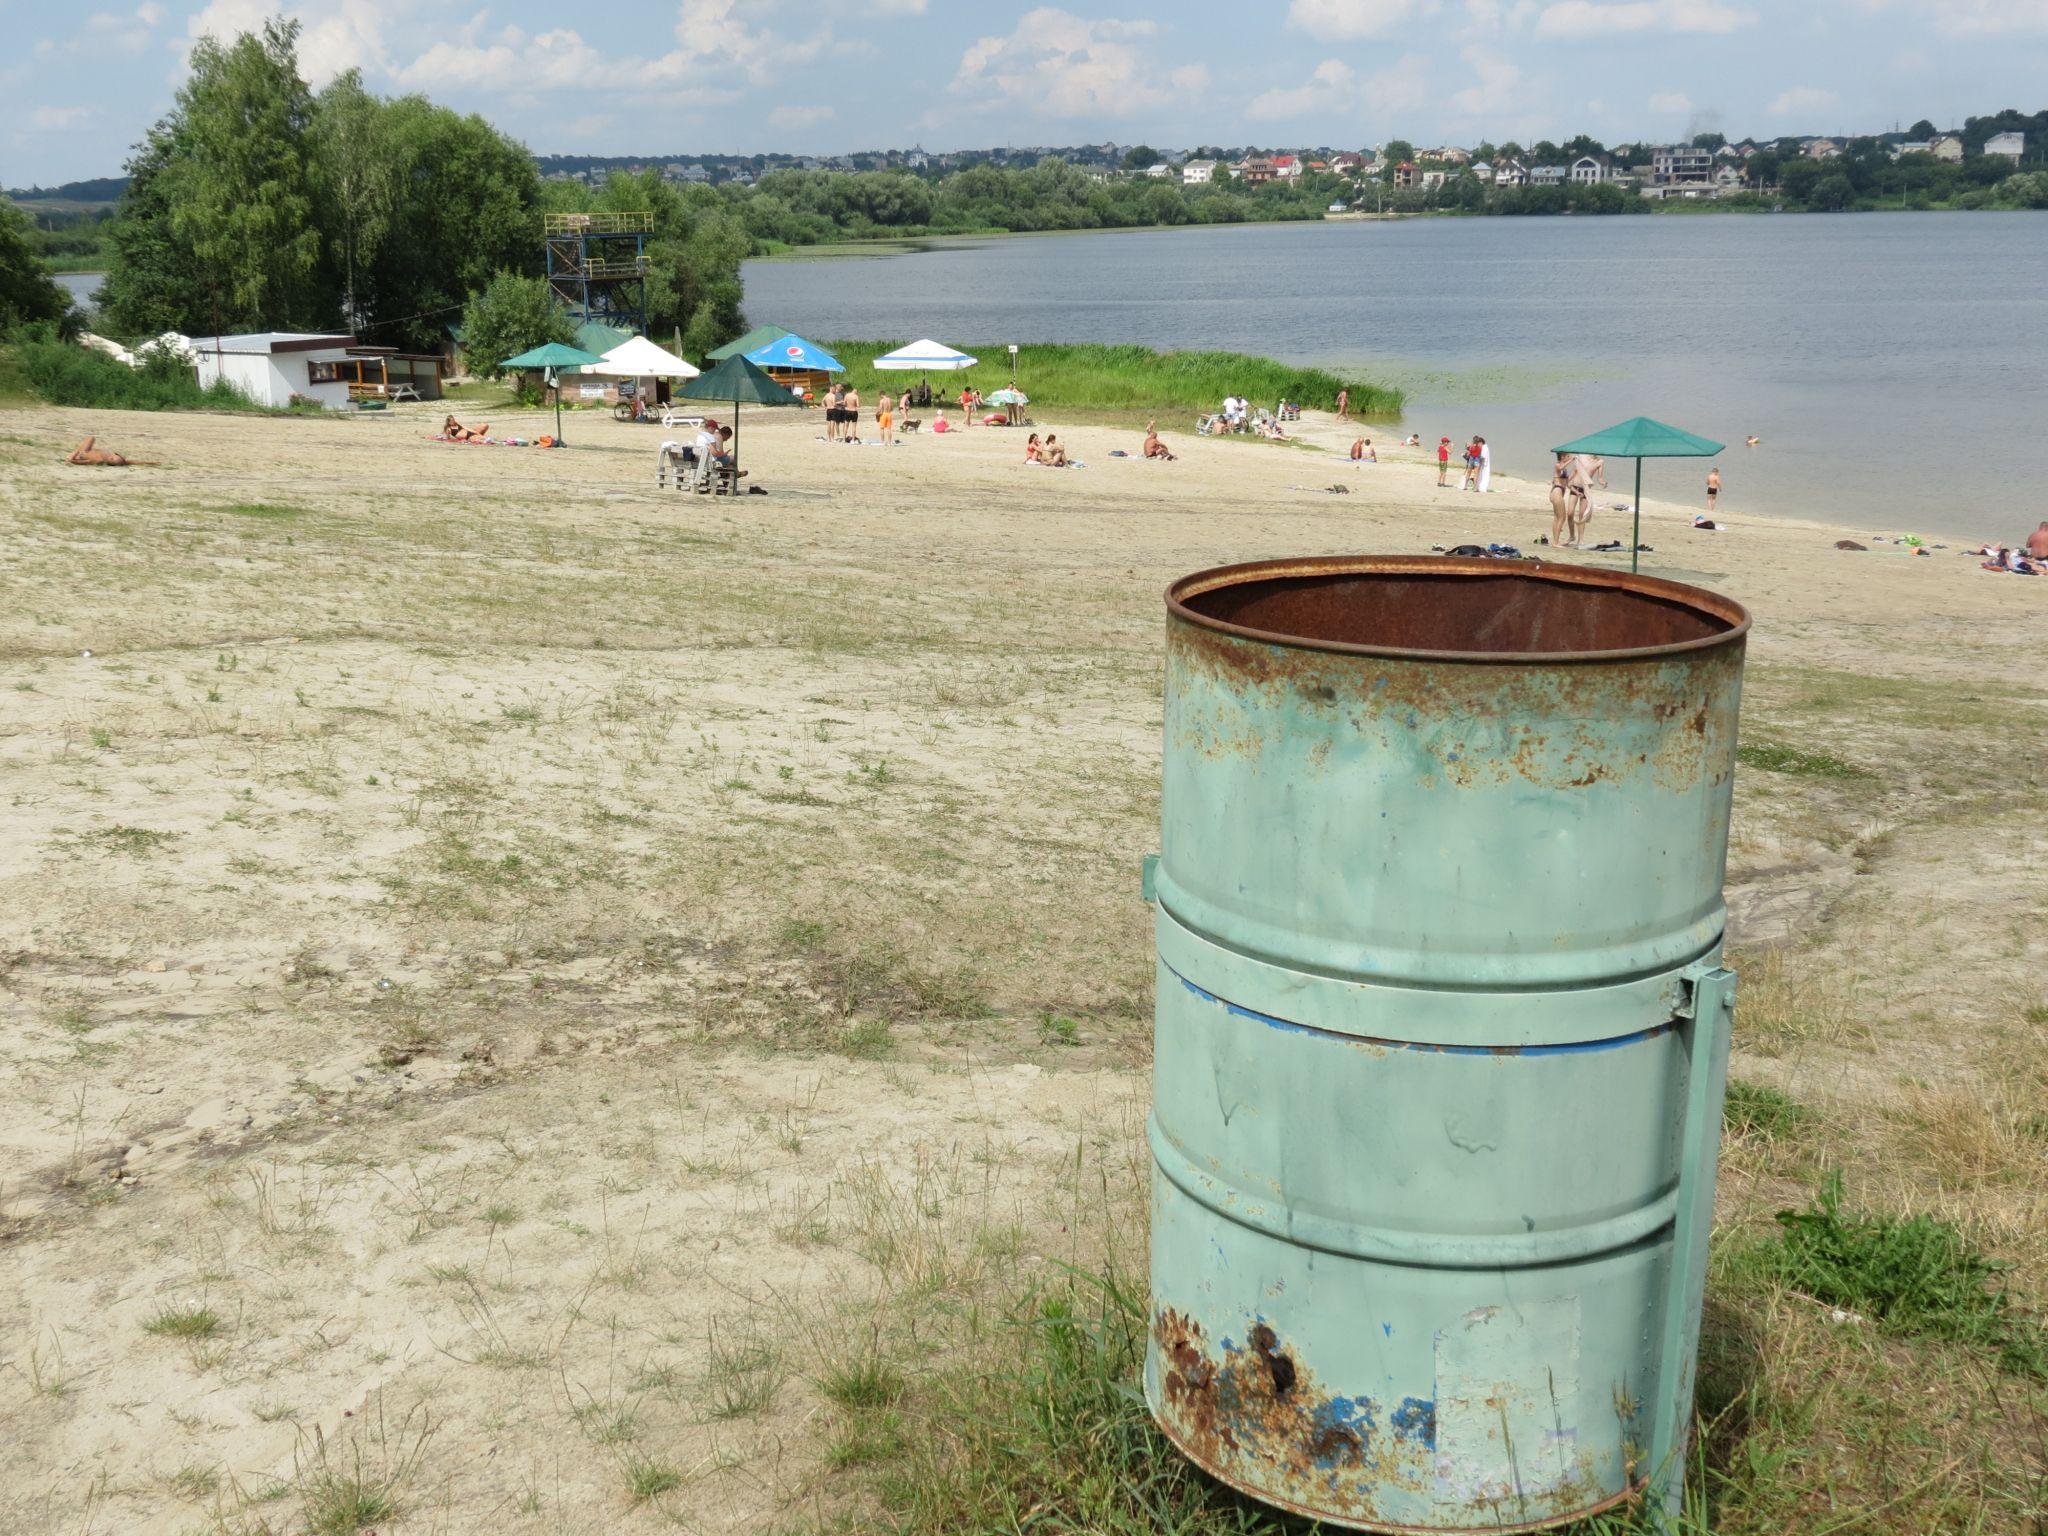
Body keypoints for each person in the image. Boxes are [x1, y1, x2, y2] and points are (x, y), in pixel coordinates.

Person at [1550, 455, 1573, 546]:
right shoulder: (1558, 465)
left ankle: (1555, 542)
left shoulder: (1564, 468)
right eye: (1568, 455)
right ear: (1563, 456)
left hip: (1559, 491)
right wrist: (1571, 460)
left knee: (1557, 518)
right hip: (1557, 491)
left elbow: (1566, 483)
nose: (1569, 456)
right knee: (1561, 518)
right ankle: (1556, 543)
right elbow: (1560, 467)